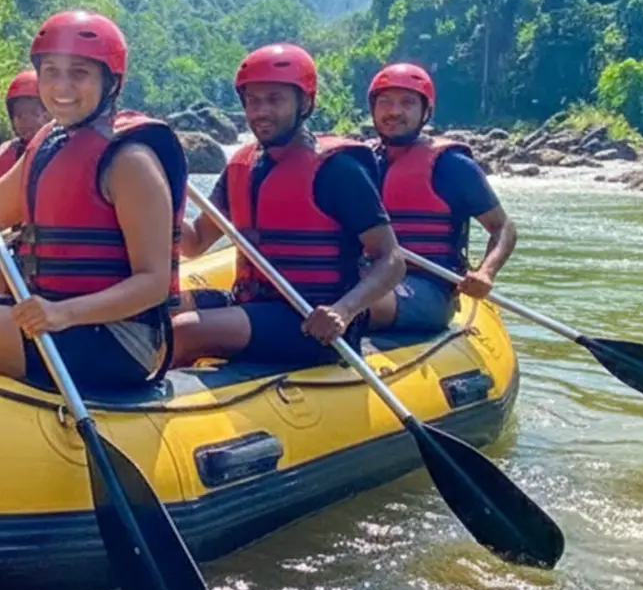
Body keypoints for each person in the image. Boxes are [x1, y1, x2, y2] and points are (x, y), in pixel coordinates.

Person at [0, 11, 187, 392]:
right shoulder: (48, 145)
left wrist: (63, 313)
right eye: (51, 71)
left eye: (79, 73)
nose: (62, 86)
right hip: (52, 312)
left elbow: (154, 283)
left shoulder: (130, 161)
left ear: (111, 82)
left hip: (121, 336)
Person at [172, 45, 405, 367]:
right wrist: (156, 203)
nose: (260, 111)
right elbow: (195, 242)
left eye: (274, 99)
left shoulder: (338, 170)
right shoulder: (242, 165)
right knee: (160, 309)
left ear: (305, 103)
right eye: (253, 101)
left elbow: (392, 260)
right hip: (253, 304)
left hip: (314, 321)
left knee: (185, 331)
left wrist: (343, 311)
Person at [366, 62, 517, 331]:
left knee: (362, 303)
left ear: (426, 112)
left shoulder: (452, 166)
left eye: (407, 103)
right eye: (385, 102)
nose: (394, 111)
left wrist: (485, 272)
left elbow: (502, 227)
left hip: (428, 286)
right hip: (368, 276)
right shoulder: (362, 164)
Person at [0, 67, 46, 295]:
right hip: (24, 245)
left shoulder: (70, 148)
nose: (27, 121)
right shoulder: (10, 154)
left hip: (58, 250)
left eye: (36, 112)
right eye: (20, 115)